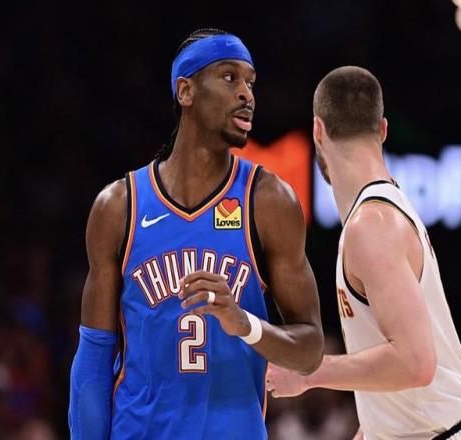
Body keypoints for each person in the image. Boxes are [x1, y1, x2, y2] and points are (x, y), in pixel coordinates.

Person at [68, 28, 324, 439]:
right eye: (229, 77)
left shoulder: (269, 201)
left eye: (251, 83)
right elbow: (95, 358)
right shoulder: (119, 207)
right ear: (185, 91)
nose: (246, 94)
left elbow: (310, 349)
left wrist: (245, 324)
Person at [266, 66, 461, 440]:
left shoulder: (372, 226)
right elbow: (401, 380)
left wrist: (309, 373)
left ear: (318, 131)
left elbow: (415, 363)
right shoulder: (383, 213)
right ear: (383, 129)